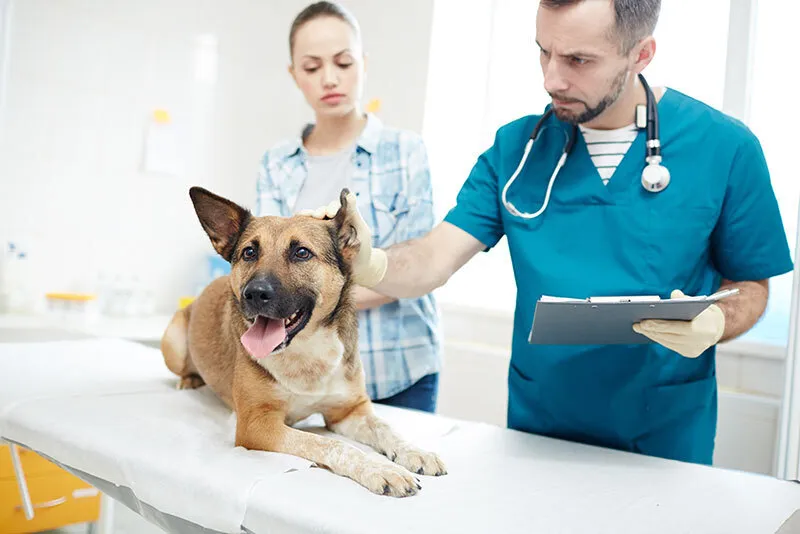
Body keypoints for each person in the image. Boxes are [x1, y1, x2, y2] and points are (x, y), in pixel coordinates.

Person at [302, 0, 794, 465]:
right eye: (544, 51)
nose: (551, 78)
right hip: (539, 432)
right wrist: (371, 261)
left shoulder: (725, 148)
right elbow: (433, 259)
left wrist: (717, 322)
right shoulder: (516, 148)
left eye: (579, 59)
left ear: (641, 53)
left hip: (663, 435)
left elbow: (752, 287)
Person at [255, 1, 442, 413]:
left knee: (404, 473)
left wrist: (302, 294)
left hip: (397, 367)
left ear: (364, 63)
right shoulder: (275, 164)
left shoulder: (404, 152)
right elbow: (267, 273)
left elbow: (418, 266)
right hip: (300, 379)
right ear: (294, 75)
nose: (330, 78)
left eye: (343, 62)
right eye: (311, 67)